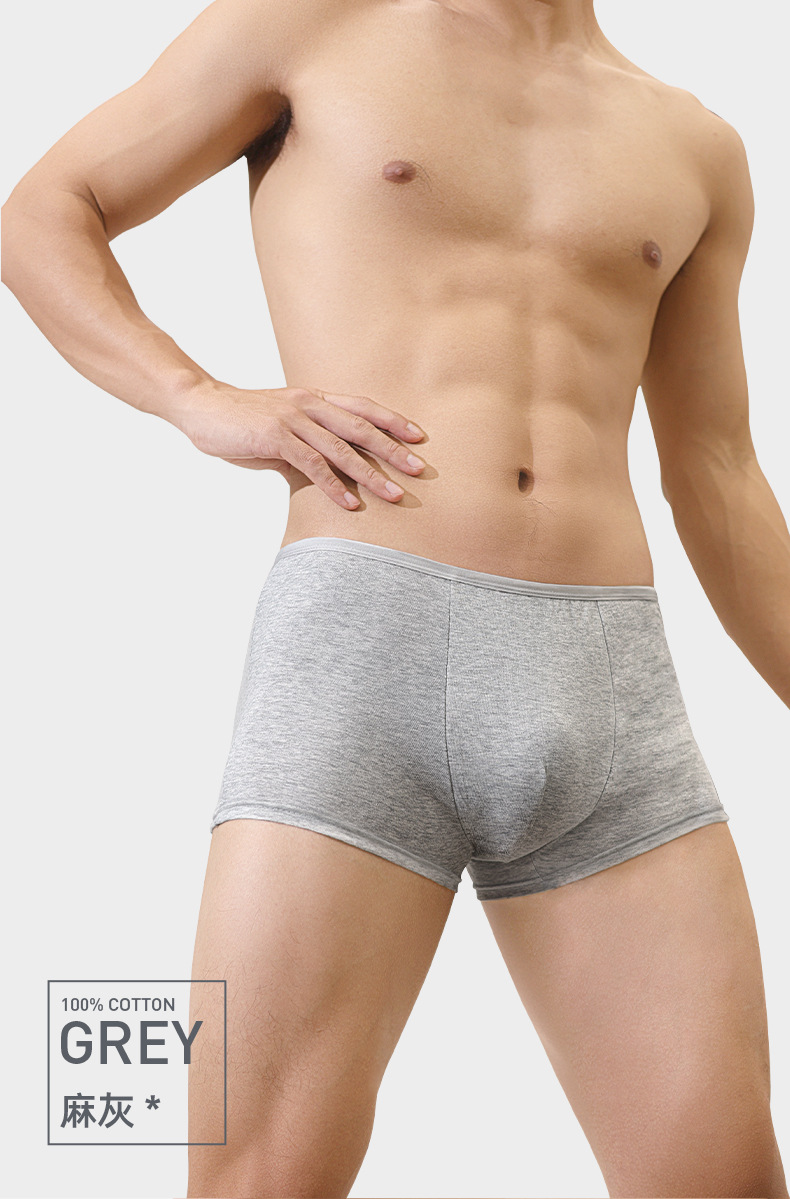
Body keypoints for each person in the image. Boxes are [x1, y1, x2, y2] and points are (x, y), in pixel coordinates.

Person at [3, 0, 788, 1195]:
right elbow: (47, 209)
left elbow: (718, 471)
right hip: (362, 660)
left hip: (608, 687)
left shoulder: (695, 144)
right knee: (259, 1176)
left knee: (724, 1179)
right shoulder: (308, 26)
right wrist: (197, 396)